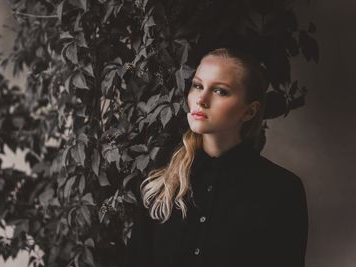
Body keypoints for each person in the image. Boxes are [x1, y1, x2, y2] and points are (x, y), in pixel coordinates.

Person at [124, 47, 308, 267]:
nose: (201, 99)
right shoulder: (160, 180)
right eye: (197, 86)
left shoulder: (282, 189)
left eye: (220, 91)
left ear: (249, 111)